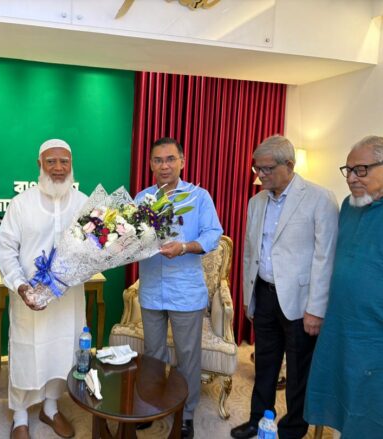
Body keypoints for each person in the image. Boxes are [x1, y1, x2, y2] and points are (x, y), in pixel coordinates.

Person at [231, 135, 339, 439]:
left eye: (267, 169)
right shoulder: (256, 201)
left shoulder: (320, 198)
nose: (260, 175)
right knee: (264, 364)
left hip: (301, 302)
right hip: (264, 294)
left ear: (289, 165)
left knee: (298, 371)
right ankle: (257, 420)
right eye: (257, 168)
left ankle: (293, 428)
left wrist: (316, 309)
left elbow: (325, 258)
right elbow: (250, 252)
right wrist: (248, 297)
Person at [0, 139, 87, 439]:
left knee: (62, 352)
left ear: (71, 164)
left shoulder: (84, 203)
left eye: (64, 161)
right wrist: (21, 285)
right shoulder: (21, 204)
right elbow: (6, 249)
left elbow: (94, 249)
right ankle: (20, 417)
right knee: (26, 354)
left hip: (68, 301)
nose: (58, 168)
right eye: (51, 161)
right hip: (30, 299)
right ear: (40, 165)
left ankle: (50, 408)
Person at [304, 135, 383, 438]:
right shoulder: (349, 206)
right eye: (348, 170)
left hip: (379, 338)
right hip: (341, 327)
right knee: (341, 401)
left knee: (373, 414)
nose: (352, 178)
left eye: (361, 170)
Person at [135, 137, 223, 439]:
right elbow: (132, 239)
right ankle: (151, 406)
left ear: (182, 161)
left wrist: (184, 246)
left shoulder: (199, 197)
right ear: (150, 164)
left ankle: (185, 414)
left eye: (170, 159)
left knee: (187, 356)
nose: (164, 166)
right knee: (153, 354)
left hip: (186, 292)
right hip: (150, 290)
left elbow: (213, 233)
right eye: (158, 160)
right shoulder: (142, 198)